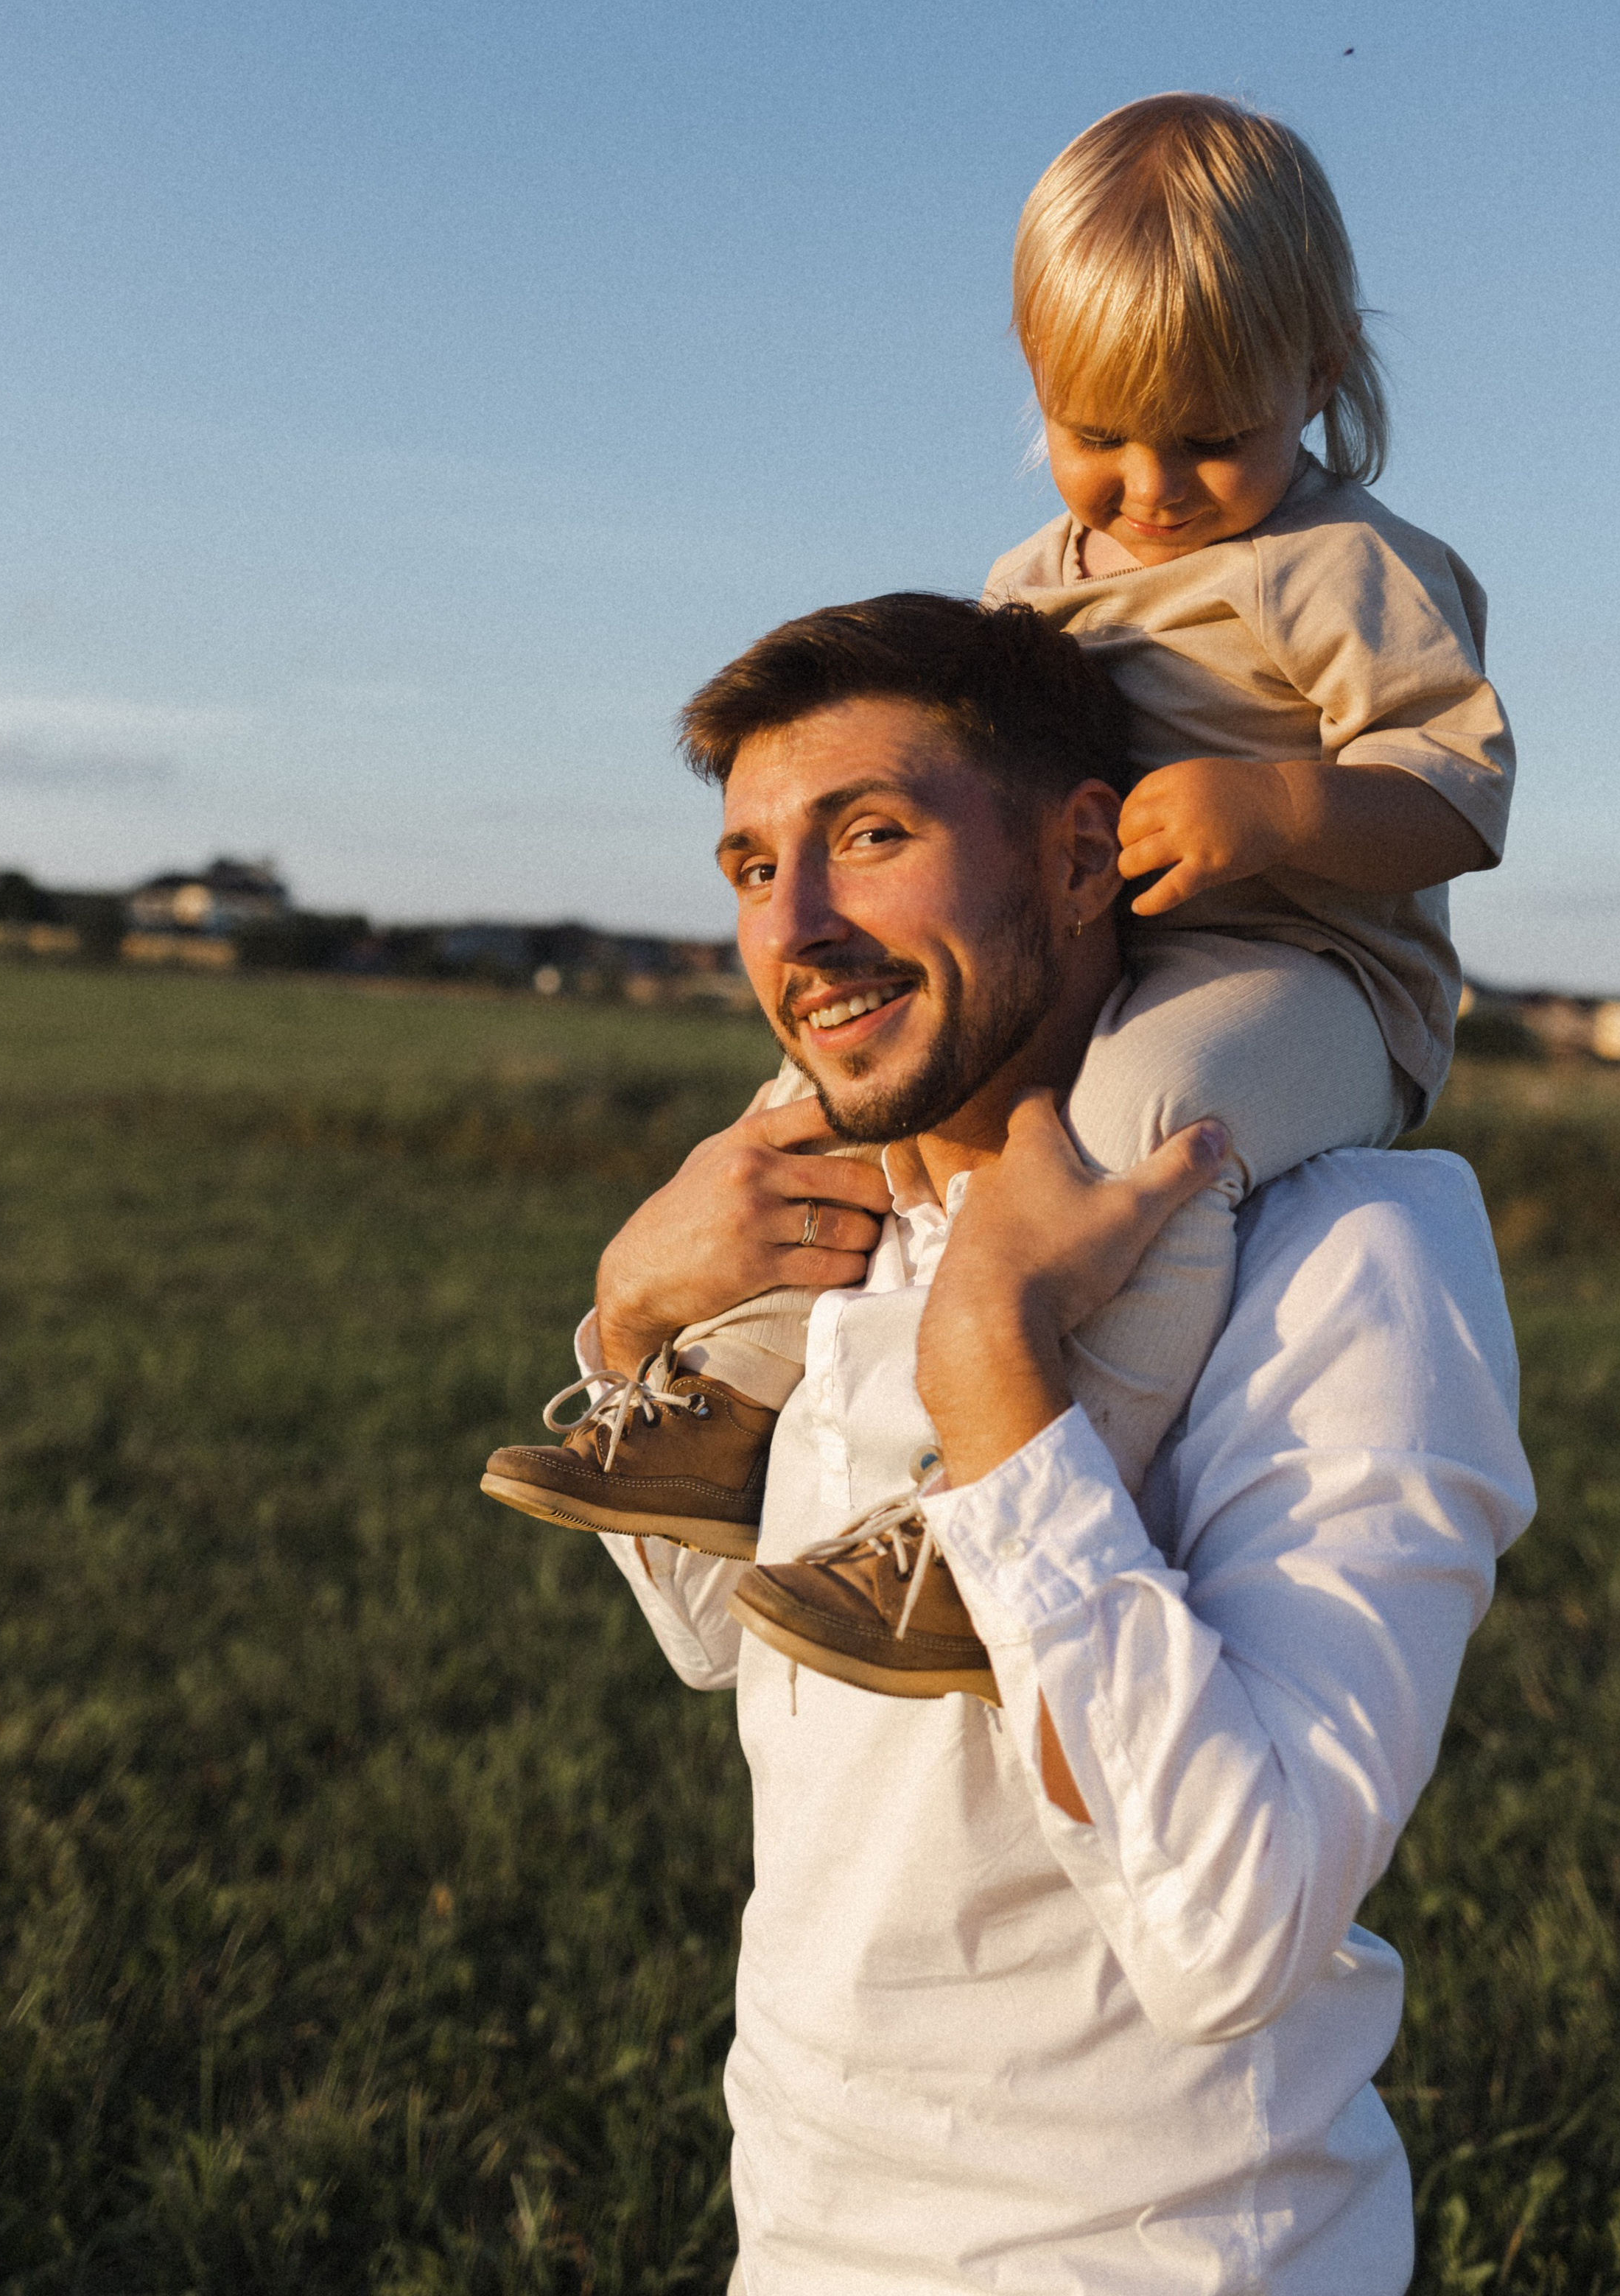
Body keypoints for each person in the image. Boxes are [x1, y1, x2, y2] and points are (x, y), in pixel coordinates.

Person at [485, 604, 1535, 2291]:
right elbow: (712, 1638)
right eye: (751, 868)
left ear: (1075, 859)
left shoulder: (1348, 1260)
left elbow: (1236, 1931)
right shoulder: (862, 1215)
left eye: (870, 839)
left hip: (1158, 2255)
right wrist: (630, 1321)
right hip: (805, 2220)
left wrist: (998, 1396)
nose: (797, 931)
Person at [483, 94, 1512, 1693]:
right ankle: (721, 1396)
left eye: (1206, 439)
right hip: (1090, 962)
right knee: (827, 1091)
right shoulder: (1034, 578)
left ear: (1317, 376)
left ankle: (996, 1516)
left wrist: (1281, 807)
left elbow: (1455, 797)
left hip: (1303, 977)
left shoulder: (1339, 569)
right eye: (1094, 435)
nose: (1149, 488)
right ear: (1034, 391)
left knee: (1146, 1126)